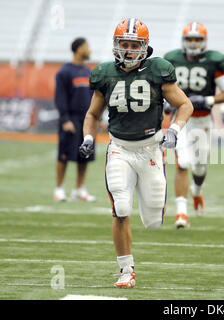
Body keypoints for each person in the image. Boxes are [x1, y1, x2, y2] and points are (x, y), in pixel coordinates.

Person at [79, 18, 193, 288]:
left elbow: (185, 105)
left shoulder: (158, 70)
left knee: (153, 218)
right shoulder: (105, 73)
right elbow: (93, 113)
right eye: (124, 44)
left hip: (151, 148)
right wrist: (87, 137)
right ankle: (126, 271)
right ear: (116, 45)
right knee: (120, 207)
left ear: (144, 47)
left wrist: (174, 130)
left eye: (134, 45)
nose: (128, 50)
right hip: (119, 148)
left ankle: (153, 212)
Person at [164, 22, 224, 229]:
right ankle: (181, 213)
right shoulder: (172, 59)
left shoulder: (214, 62)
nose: (193, 43)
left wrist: (208, 100)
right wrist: (166, 103)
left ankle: (197, 191)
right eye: (190, 39)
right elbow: (162, 87)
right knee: (183, 163)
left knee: (200, 167)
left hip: (203, 119)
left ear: (204, 42)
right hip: (181, 119)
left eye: (197, 39)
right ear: (184, 41)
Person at [53, 37, 96, 202]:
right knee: (64, 156)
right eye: (87, 46)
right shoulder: (64, 72)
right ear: (79, 49)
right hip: (71, 119)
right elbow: (60, 98)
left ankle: (79, 189)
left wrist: (96, 118)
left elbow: (94, 98)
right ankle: (59, 189)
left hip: (87, 121)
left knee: (85, 155)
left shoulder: (88, 72)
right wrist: (65, 119)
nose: (89, 50)